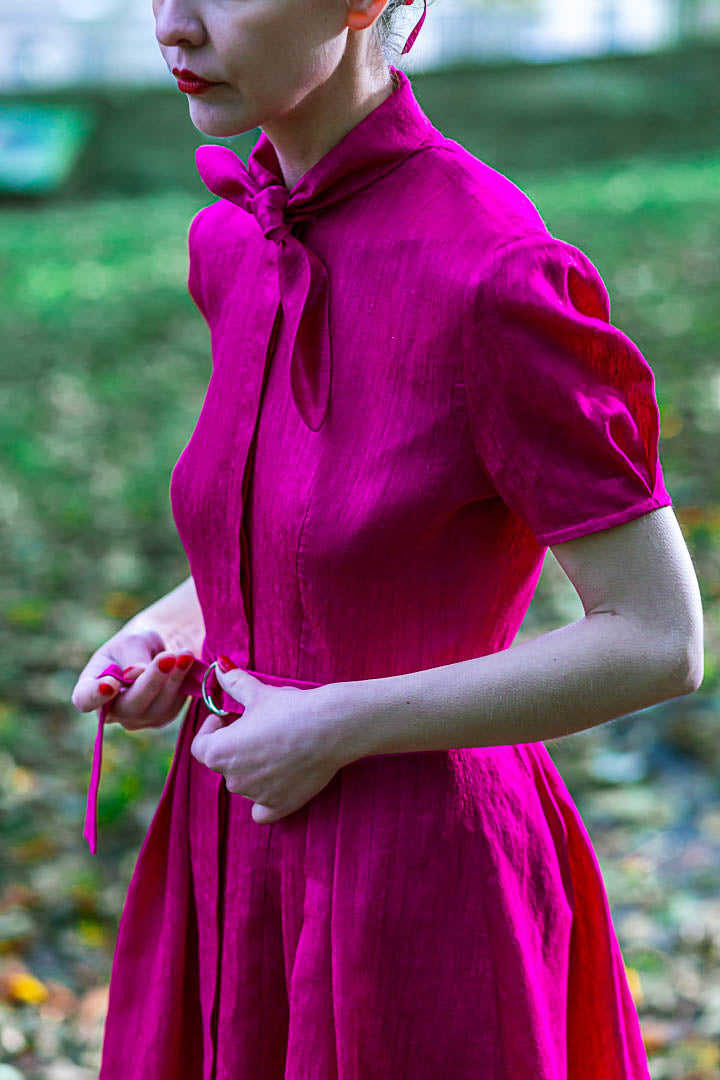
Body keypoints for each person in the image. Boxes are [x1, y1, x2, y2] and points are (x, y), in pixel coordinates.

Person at [70, 0, 704, 1075]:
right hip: (232, 845)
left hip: (421, 886)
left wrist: (333, 726)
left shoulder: (496, 274)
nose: (174, 27)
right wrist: (172, 626)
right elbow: (296, 518)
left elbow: (658, 636)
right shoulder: (233, 236)